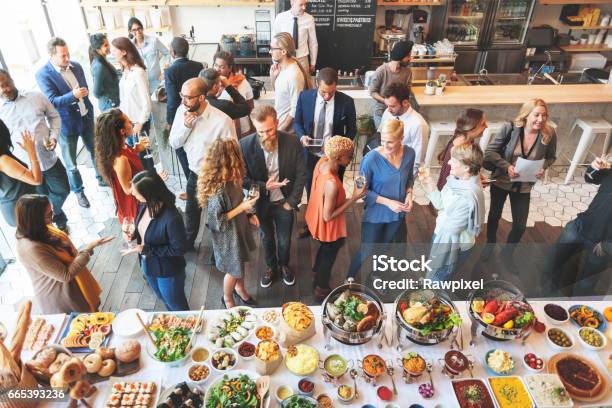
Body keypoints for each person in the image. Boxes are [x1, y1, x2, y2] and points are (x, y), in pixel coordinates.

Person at [240, 105, 307, 288]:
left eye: (269, 130)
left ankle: (284, 265)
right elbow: (242, 179)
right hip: (260, 204)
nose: (265, 136)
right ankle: (271, 266)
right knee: (266, 237)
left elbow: (301, 174)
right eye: (260, 131)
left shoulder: (293, 142)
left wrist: (291, 202)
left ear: (277, 123)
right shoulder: (245, 145)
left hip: (283, 202)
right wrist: (263, 186)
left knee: (284, 239)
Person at [483, 98, 557, 260]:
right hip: (502, 181)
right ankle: (490, 243)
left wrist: (543, 167)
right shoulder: (510, 129)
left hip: (524, 185)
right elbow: (490, 152)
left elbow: (551, 157)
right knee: (494, 215)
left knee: (520, 226)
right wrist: (506, 166)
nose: (540, 119)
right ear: (526, 115)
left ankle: (507, 254)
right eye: (536, 115)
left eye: (544, 116)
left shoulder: (549, 133)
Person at [15, 194, 113, 314]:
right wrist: (88, 249)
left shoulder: (38, 228)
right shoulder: (30, 249)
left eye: (51, 212)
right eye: (48, 215)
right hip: (62, 296)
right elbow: (65, 275)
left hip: (73, 288)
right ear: (35, 219)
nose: (53, 217)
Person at [169, 78, 236, 250]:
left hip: (216, 178)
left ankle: (219, 252)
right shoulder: (181, 111)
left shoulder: (222, 121)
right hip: (194, 174)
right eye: (181, 96)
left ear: (201, 97)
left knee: (216, 218)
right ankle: (187, 245)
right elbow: (173, 143)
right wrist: (185, 126)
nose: (183, 101)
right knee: (191, 214)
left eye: (188, 97)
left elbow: (233, 156)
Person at [36, 37, 104, 205]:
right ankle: (79, 192)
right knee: (71, 164)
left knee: (95, 151)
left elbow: (84, 89)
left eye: (68, 54)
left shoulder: (77, 66)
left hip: (86, 117)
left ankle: (101, 178)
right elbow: (51, 101)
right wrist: (72, 96)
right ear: (51, 55)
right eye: (63, 56)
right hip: (66, 125)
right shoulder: (43, 74)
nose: (67, 58)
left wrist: (85, 100)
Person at [0, 70, 70, 231]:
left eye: (6, 83)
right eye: (0, 87)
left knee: (64, 189)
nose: (4, 89)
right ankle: (53, 221)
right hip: (25, 169)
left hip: (48, 158)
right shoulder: (0, 113)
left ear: (12, 79)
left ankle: (53, 211)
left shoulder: (36, 96)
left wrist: (53, 137)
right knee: (38, 202)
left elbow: (54, 116)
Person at [346, 119, 415, 279]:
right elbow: (360, 191)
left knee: (385, 247)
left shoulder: (410, 154)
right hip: (375, 215)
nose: (385, 146)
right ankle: (349, 277)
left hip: (397, 215)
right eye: (383, 141)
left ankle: (375, 273)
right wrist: (388, 202)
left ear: (401, 138)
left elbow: (409, 178)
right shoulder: (370, 159)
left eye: (390, 142)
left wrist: (409, 194)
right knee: (367, 249)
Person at [198, 138, 258, 309]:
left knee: (241, 263)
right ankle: (227, 298)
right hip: (227, 237)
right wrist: (242, 208)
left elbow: (237, 202)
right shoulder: (218, 191)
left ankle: (240, 289)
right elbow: (215, 222)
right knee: (233, 270)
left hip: (239, 229)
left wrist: (248, 215)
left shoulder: (233, 179)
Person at [306, 136, 365, 299]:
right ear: (338, 157)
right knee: (329, 254)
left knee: (324, 249)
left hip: (315, 217)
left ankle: (315, 272)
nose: (352, 158)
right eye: (350, 156)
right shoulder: (331, 183)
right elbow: (328, 216)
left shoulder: (323, 162)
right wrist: (353, 198)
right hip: (328, 227)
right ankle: (322, 287)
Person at [543, 155, 611, 296]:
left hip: (603, 241)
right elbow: (591, 178)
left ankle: (577, 307)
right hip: (581, 225)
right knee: (555, 259)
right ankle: (544, 291)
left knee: (587, 281)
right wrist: (594, 167)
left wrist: (608, 245)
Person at [122, 170, 189, 311]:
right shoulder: (145, 205)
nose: (132, 193)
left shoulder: (172, 218)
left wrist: (146, 249)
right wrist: (133, 234)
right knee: (163, 298)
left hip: (168, 271)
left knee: (177, 306)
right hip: (148, 265)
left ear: (148, 194)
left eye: (136, 192)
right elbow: (144, 229)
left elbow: (179, 249)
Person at [420, 143, 485, 282]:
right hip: (441, 235)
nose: (449, 162)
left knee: (437, 281)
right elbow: (440, 205)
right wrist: (429, 183)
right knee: (435, 274)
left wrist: (444, 213)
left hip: (454, 246)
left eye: (453, 160)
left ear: (467, 167)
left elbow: (450, 226)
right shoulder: (455, 181)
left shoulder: (468, 196)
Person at [294, 67, 357, 195]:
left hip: (334, 158)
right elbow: (297, 123)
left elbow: (352, 129)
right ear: (317, 84)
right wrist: (302, 137)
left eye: (332, 92)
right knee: (312, 188)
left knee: (333, 192)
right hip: (310, 155)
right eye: (323, 92)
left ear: (336, 86)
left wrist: (341, 147)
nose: (327, 96)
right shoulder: (304, 97)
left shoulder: (347, 102)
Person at [95, 108, 150, 223]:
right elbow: (128, 189)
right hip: (137, 204)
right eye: (128, 121)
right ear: (122, 131)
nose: (131, 122)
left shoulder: (120, 146)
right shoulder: (121, 160)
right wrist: (154, 180)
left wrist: (136, 149)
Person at [165, 36, 203, 188]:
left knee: (181, 150)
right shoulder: (198, 65)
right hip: (199, 111)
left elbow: (173, 100)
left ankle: (191, 183)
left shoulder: (170, 71)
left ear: (173, 52)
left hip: (182, 115)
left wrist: (170, 121)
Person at [111, 36, 154, 170]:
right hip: (127, 122)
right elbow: (125, 99)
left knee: (145, 161)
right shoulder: (125, 71)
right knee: (135, 161)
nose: (112, 53)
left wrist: (140, 124)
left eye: (114, 50)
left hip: (138, 123)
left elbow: (147, 102)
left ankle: (154, 189)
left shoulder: (138, 72)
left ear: (124, 52)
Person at [379, 82, 428, 173]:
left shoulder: (419, 125)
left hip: (402, 170)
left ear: (405, 103)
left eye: (392, 106)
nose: (388, 109)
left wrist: (405, 182)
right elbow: (382, 140)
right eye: (387, 105)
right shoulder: (388, 113)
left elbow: (417, 161)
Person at [0, 122, 41, 226]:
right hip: (23, 210)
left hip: (14, 208)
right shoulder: (3, 160)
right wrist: (31, 151)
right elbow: (36, 180)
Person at [436, 109, 487, 190]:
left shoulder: (466, 140)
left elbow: (465, 169)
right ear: (471, 128)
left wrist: (477, 177)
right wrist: (476, 183)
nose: (486, 126)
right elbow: (450, 181)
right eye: (483, 124)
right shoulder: (458, 150)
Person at [270, 32, 309, 132]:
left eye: (273, 48)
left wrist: (280, 130)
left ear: (283, 51)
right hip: (280, 124)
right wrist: (274, 76)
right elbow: (278, 93)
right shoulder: (282, 69)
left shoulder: (293, 75)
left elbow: (295, 108)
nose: (270, 51)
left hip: (288, 132)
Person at [369, 41, 414, 128]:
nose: (410, 59)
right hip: (382, 107)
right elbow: (372, 92)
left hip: (400, 108)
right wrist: (385, 101)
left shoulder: (407, 72)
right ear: (401, 56)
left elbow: (407, 92)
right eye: (408, 56)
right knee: (385, 132)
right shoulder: (381, 70)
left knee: (403, 131)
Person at [213, 50, 254, 137]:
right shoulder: (211, 84)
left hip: (243, 129)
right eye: (215, 65)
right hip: (222, 131)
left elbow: (250, 106)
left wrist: (253, 127)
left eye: (222, 67)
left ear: (230, 67)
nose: (217, 69)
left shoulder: (242, 82)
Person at [272, 0, 318, 78]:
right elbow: (274, 41)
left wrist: (313, 63)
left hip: (302, 59)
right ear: (292, 2)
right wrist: (275, 60)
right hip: (284, 58)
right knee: (285, 84)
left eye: (305, 4)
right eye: (301, 5)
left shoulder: (309, 19)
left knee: (304, 85)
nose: (304, 7)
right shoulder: (280, 18)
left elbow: (313, 42)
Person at [128, 17, 170, 94]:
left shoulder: (153, 41)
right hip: (140, 82)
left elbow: (167, 53)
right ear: (130, 31)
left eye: (139, 28)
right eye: (134, 30)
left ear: (142, 28)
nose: (137, 31)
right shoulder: (130, 46)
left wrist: (165, 71)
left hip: (156, 81)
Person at [89, 33, 119, 112]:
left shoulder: (103, 60)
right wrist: (108, 94)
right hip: (109, 106)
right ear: (98, 49)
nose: (109, 47)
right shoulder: (99, 66)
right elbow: (96, 92)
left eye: (108, 44)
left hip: (114, 103)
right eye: (105, 45)